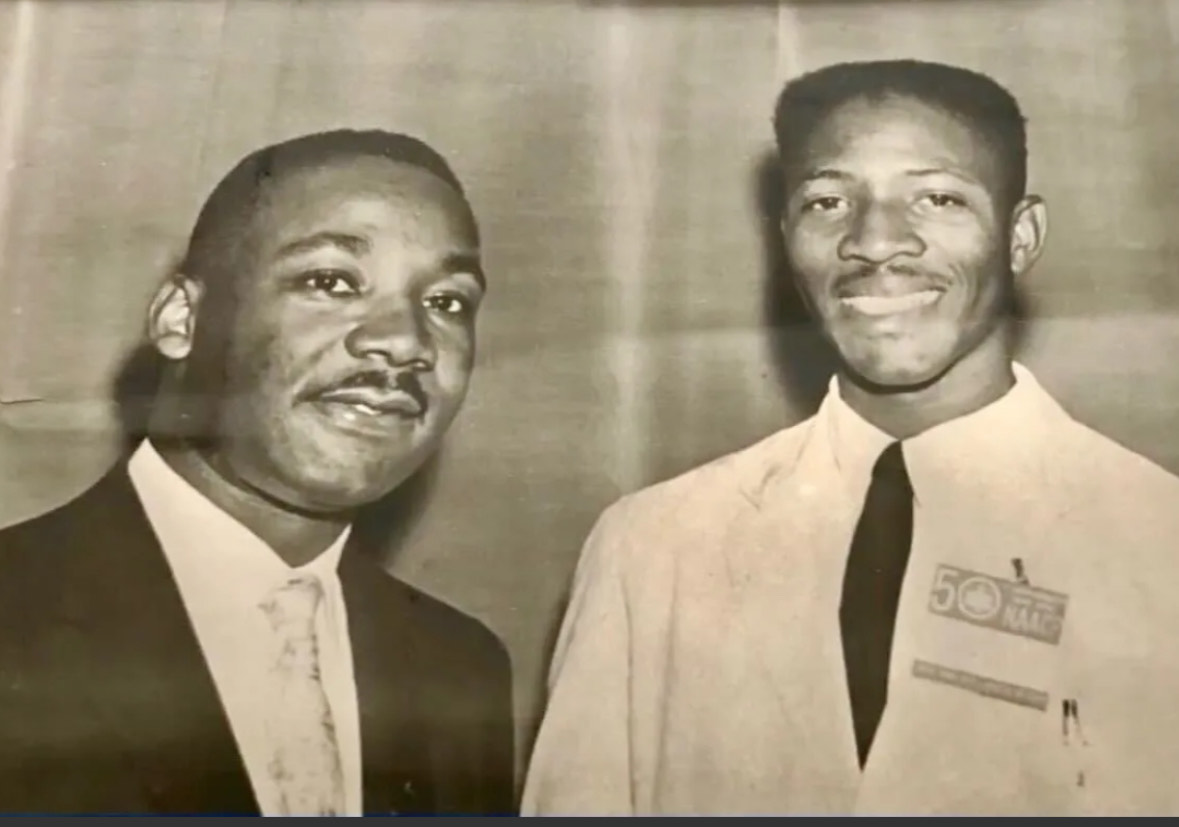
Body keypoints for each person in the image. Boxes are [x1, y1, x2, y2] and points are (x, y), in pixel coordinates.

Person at [521, 59, 1179, 816]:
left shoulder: (1157, 540)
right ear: (784, 239)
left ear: (1020, 235)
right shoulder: (649, 548)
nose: (873, 242)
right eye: (828, 201)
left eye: (936, 198)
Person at [0, 130, 515, 816]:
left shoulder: (463, 669)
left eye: (447, 301)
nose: (404, 341)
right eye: (330, 281)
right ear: (182, 318)